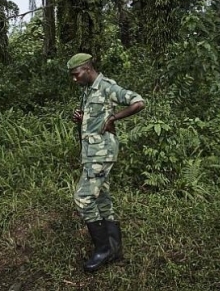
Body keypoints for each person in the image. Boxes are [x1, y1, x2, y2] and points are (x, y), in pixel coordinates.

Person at [67, 52, 145, 273]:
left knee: (83, 198)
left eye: (76, 74)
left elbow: (138, 102)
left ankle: (102, 250)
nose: (75, 79)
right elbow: (94, 118)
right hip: (92, 152)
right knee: (102, 199)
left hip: (101, 153)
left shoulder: (106, 86)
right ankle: (114, 248)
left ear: (88, 69)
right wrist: (82, 119)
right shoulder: (88, 90)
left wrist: (114, 118)